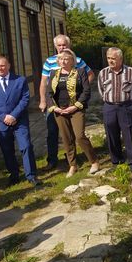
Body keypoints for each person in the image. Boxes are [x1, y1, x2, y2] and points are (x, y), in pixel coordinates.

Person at [0, 56, 41, 186]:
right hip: (0, 122)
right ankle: (14, 175)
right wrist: (3, 117)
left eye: (2, 65)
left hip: (19, 120)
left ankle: (31, 175)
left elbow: (25, 99)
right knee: (7, 150)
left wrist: (13, 116)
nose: (0, 68)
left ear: (8, 65)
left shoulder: (20, 80)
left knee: (26, 146)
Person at [39, 34, 93, 171]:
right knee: (53, 132)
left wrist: (81, 90)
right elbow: (44, 83)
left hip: (74, 103)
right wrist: (43, 101)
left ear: (69, 46)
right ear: (56, 46)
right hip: (55, 104)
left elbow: (90, 75)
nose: (62, 47)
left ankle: (78, 159)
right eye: (59, 45)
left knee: (76, 133)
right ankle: (52, 160)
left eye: (64, 45)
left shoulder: (78, 61)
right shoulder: (49, 62)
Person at [46, 49, 99, 178]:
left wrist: (75, 107)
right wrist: (53, 107)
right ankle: (72, 165)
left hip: (76, 109)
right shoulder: (54, 73)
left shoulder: (80, 72)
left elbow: (86, 91)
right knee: (66, 138)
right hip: (59, 110)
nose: (63, 61)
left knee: (79, 136)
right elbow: (49, 93)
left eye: (66, 59)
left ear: (72, 61)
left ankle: (94, 161)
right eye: (61, 59)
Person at [98, 47, 132, 173]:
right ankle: (116, 161)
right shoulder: (103, 73)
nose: (110, 61)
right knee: (111, 134)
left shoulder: (131, 72)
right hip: (109, 107)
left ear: (120, 59)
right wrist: (109, 101)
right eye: (108, 58)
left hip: (126, 106)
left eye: (113, 58)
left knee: (130, 134)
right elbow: (101, 90)